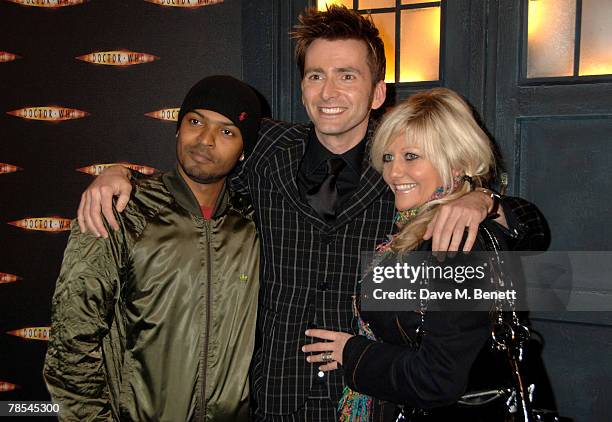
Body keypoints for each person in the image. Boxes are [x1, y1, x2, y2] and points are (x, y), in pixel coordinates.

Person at [74, 6, 549, 420]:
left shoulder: (405, 172)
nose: (329, 92)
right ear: (302, 87)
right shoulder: (264, 150)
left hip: (370, 398)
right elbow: (201, 161)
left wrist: (484, 199)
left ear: (377, 92)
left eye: (348, 76)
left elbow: (532, 230)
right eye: (316, 75)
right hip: (271, 396)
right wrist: (124, 177)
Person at [43, 75, 261, 421]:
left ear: (244, 149)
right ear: (177, 129)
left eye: (226, 131)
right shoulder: (120, 212)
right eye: (195, 122)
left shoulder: (253, 225)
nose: (204, 140)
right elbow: (71, 344)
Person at [302, 87, 528, 421]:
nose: (393, 174)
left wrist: (352, 352)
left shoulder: (454, 243)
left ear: (456, 164)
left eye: (412, 157)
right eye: (389, 158)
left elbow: (436, 380)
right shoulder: (416, 226)